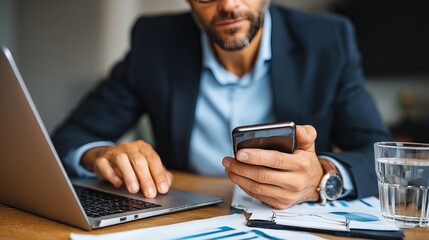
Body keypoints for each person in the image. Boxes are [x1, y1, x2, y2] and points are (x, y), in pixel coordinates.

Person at [52, 0, 392, 209]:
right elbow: (69, 138)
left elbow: (378, 153)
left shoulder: (328, 39)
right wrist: (99, 155)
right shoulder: (154, 42)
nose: (229, 5)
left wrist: (323, 177)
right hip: (186, 217)